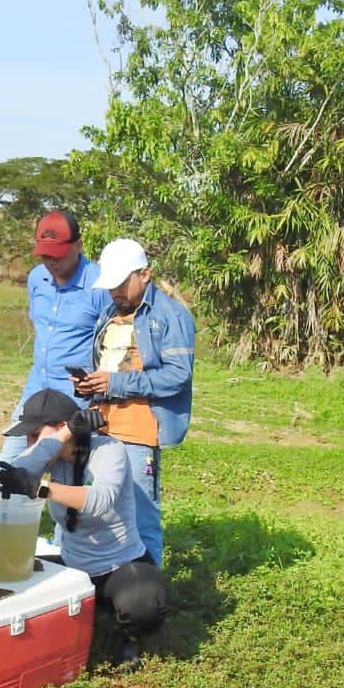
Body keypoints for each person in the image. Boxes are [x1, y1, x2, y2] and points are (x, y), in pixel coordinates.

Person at [0, 389, 168, 668]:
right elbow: (14, 474)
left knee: (144, 604)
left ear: (61, 426)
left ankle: (126, 636)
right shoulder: (51, 455)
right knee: (4, 571)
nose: (30, 443)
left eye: (34, 434)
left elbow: (99, 501)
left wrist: (41, 488)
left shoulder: (109, 450)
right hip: (73, 566)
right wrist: (58, 439)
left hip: (119, 565)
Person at [71, 238, 196, 567]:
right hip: (101, 426)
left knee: (141, 517)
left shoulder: (171, 316)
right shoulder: (109, 313)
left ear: (145, 274)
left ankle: (148, 595)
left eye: (119, 284)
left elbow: (177, 376)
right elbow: (107, 366)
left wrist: (116, 383)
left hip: (139, 432)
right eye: (109, 286)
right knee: (99, 509)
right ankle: (103, 581)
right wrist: (91, 385)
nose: (113, 293)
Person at [0, 210, 113, 467]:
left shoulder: (101, 286)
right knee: (9, 465)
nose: (50, 261)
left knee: (70, 473)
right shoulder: (37, 278)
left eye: (57, 254)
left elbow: (114, 344)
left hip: (75, 399)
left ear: (78, 245)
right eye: (45, 254)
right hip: (36, 390)